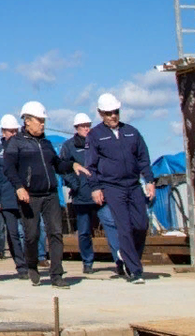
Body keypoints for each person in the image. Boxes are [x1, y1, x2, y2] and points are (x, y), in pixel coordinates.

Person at [3, 101, 86, 288]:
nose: (42, 124)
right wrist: (19, 187)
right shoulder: (16, 144)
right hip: (29, 196)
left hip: (50, 195)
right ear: (27, 121)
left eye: (43, 120)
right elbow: (8, 168)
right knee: (32, 235)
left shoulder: (47, 144)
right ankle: (31, 265)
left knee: (56, 233)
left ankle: (56, 275)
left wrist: (71, 165)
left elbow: (57, 164)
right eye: (39, 120)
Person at [85, 92, 156, 285]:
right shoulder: (95, 136)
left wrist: (149, 180)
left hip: (133, 186)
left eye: (115, 112)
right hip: (112, 187)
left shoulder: (132, 132)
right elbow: (90, 165)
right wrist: (95, 188)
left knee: (141, 225)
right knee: (124, 227)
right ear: (100, 113)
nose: (113, 116)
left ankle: (126, 257)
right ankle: (135, 270)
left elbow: (143, 158)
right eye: (108, 113)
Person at [60, 112, 122, 275]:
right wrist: (76, 185)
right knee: (84, 231)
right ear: (76, 128)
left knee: (111, 226)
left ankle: (119, 260)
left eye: (88, 126)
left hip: (101, 195)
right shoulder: (69, 146)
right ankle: (87, 261)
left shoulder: (97, 143)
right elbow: (64, 169)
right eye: (83, 126)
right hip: (82, 197)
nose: (87, 129)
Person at [0, 114, 27, 279]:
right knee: (13, 233)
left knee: (29, 232)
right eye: (11, 131)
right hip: (7, 197)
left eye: (16, 130)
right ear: (3, 132)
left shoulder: (25, 147)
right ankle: (21, 265)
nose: (14, 133)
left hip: (25, 196)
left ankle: (33, 261)